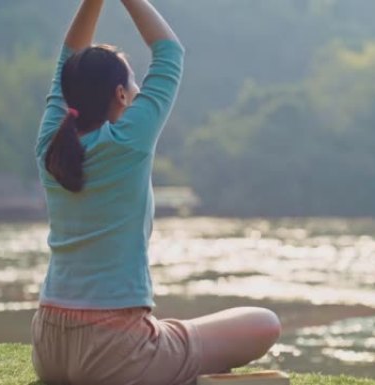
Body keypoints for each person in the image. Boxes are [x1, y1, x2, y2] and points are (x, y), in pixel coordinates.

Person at [30, 1, 281, 384]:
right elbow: (169, 53)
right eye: (133, 83)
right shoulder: (128, 140)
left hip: (48, 346)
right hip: (114, 355)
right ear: (121, 95)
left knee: (176, 330)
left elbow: (67, 63)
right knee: (265, 323)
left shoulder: (50, 140)